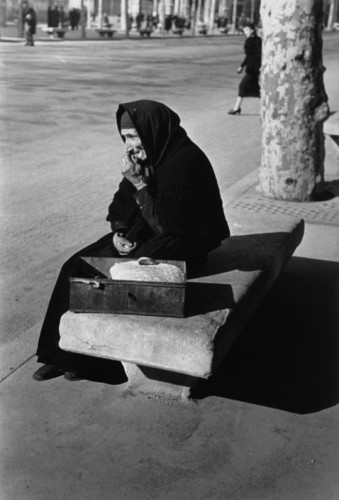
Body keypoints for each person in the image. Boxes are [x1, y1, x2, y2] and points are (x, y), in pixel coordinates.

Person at [32, 99, 230, 382]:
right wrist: (119, 233)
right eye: (125, 137)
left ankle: (97, 364)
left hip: (185, 243)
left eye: (134, 136)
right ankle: (58, 354)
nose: (128, 145)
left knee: (112, 277)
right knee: (74, 266)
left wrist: (140, 185)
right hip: (152, 231)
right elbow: (121, 204)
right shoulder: (150, 153)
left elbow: (171, 226)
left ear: (152, 130)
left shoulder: (184, 161)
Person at [228, 23, 262, 115]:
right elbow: (248, 56)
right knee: (257, 91)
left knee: (242, 86)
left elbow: (258, 56)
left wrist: (258, 68)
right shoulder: (249, 41)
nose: (245, 32)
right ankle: (266, 106)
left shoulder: (258, 41)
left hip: (254, 69)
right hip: (250, 67)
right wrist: (241, 66)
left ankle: (236, 108)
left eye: (247, 30)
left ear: (252, 30)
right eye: (244, 30)